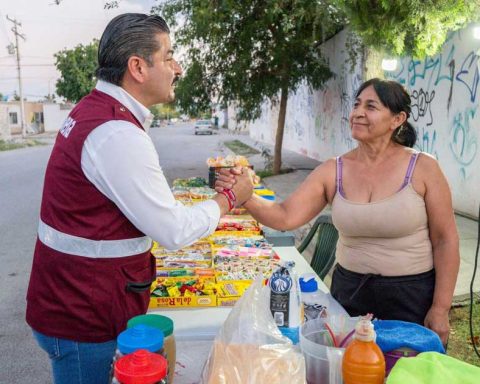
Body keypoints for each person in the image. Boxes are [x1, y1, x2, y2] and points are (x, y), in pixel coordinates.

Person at [26, 13, 253, 384]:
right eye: (168, 56)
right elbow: (174, 231)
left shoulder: (96, 110)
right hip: (83, 315)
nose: (177, 67)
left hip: (76, 300)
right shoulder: (116, 132)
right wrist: (231, 196)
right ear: (138, 67)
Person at [216, 78, 459, 345]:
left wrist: (440, 308)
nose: (358, 113)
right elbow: (285, 216)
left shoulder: (423, 168)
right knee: (349, 370)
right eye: (356, 104)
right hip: (349, 295)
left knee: (407, 373)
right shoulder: (334, 170)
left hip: (412, 297)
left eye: (371, 106)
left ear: (397, 119)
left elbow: (445, 240)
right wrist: (247, 196)